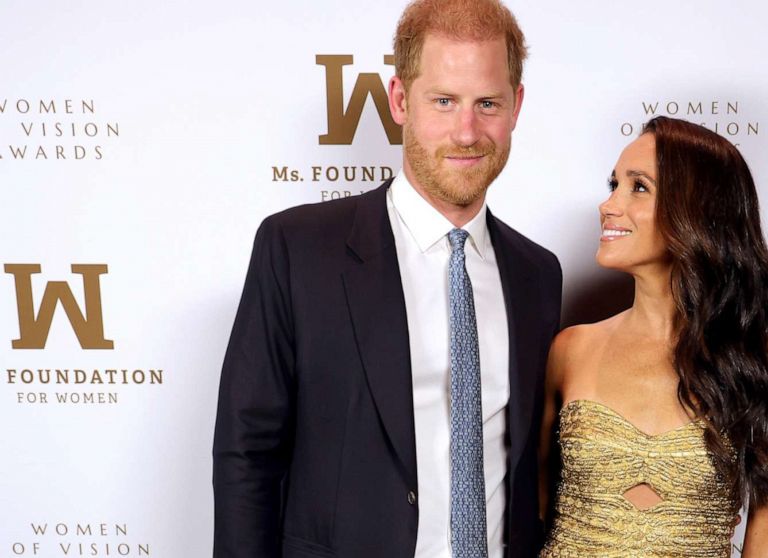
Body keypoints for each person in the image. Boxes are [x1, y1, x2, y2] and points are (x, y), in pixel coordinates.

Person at [212, 1, 561, 556]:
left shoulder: (537, 273)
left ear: (516, 106)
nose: (467, 132)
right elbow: (247, 454)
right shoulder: (299, 249)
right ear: (400, 100)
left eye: (487, 104)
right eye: (443, 101)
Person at [538, 116, 768, 557]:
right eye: (613, 185)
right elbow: (535, 509)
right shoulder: (571, 349)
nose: (609, 205)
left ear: (698, 210)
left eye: (638, 187)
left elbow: (767, 538)